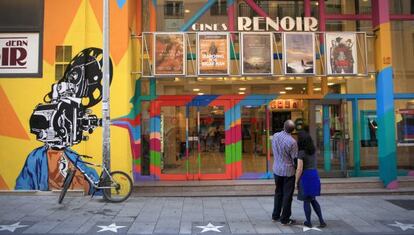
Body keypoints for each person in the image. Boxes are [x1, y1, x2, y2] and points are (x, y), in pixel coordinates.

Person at [295, 129, 326, 228]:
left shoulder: (301, 153)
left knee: (306, 200)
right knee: (313, 199)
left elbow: (299, 168)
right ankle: (321, 220)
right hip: (314, 175)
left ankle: (308, 221)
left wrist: (296, 182)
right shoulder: (313, 151)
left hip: (305, 176)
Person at [272, 120, 298, 225]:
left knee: (278, 193)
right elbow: (295, 159)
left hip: (277, 169)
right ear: (293, 130)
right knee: (287, 196)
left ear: (283, 126)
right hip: (288, 172)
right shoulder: (292, 142)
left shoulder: (275, 136)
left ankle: (275, 215)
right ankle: (285, 218)